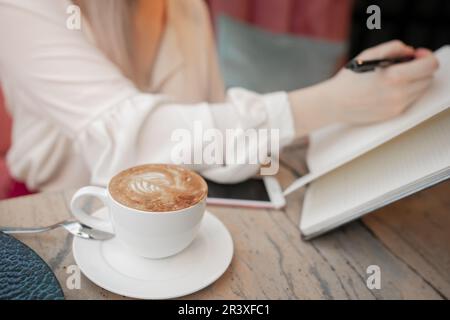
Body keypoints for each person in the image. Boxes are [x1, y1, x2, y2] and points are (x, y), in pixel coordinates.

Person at [0, 0, 439, 191]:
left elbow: (207, 134)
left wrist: (358, 104)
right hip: (58, 219)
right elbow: (132, 141)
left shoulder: (185, 8)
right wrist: (331, 102)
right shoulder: (21, 7)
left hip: (173, 212)